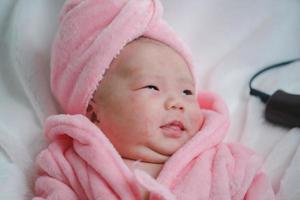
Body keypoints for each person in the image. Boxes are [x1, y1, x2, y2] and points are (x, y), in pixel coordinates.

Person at [33, 0, 275, 199]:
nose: (176, 103)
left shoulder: (228, 164)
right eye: (152, 86)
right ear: (94, 113)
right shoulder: (69, 167)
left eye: (187, 92)